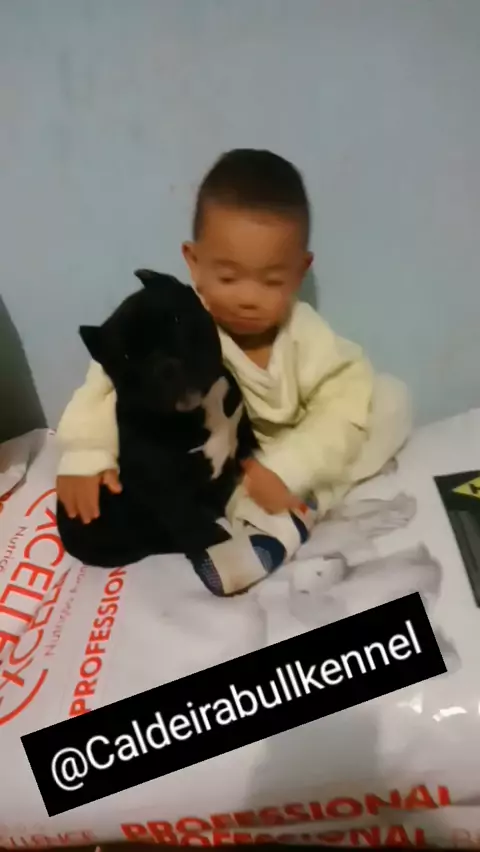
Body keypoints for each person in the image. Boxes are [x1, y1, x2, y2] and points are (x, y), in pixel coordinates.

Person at [56, 149, 411, 529]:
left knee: (389, 400)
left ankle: (304, 503)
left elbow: (342, 405)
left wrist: (289, 467)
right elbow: (111, 374)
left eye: (272, 281)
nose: (248, 298)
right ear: (194, 262)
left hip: (292, 454)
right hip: (216, 460)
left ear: (299, 272)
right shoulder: (180, 320)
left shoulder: (304, 334)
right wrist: (85, 453)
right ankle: (262, 508)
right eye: (228, 277)